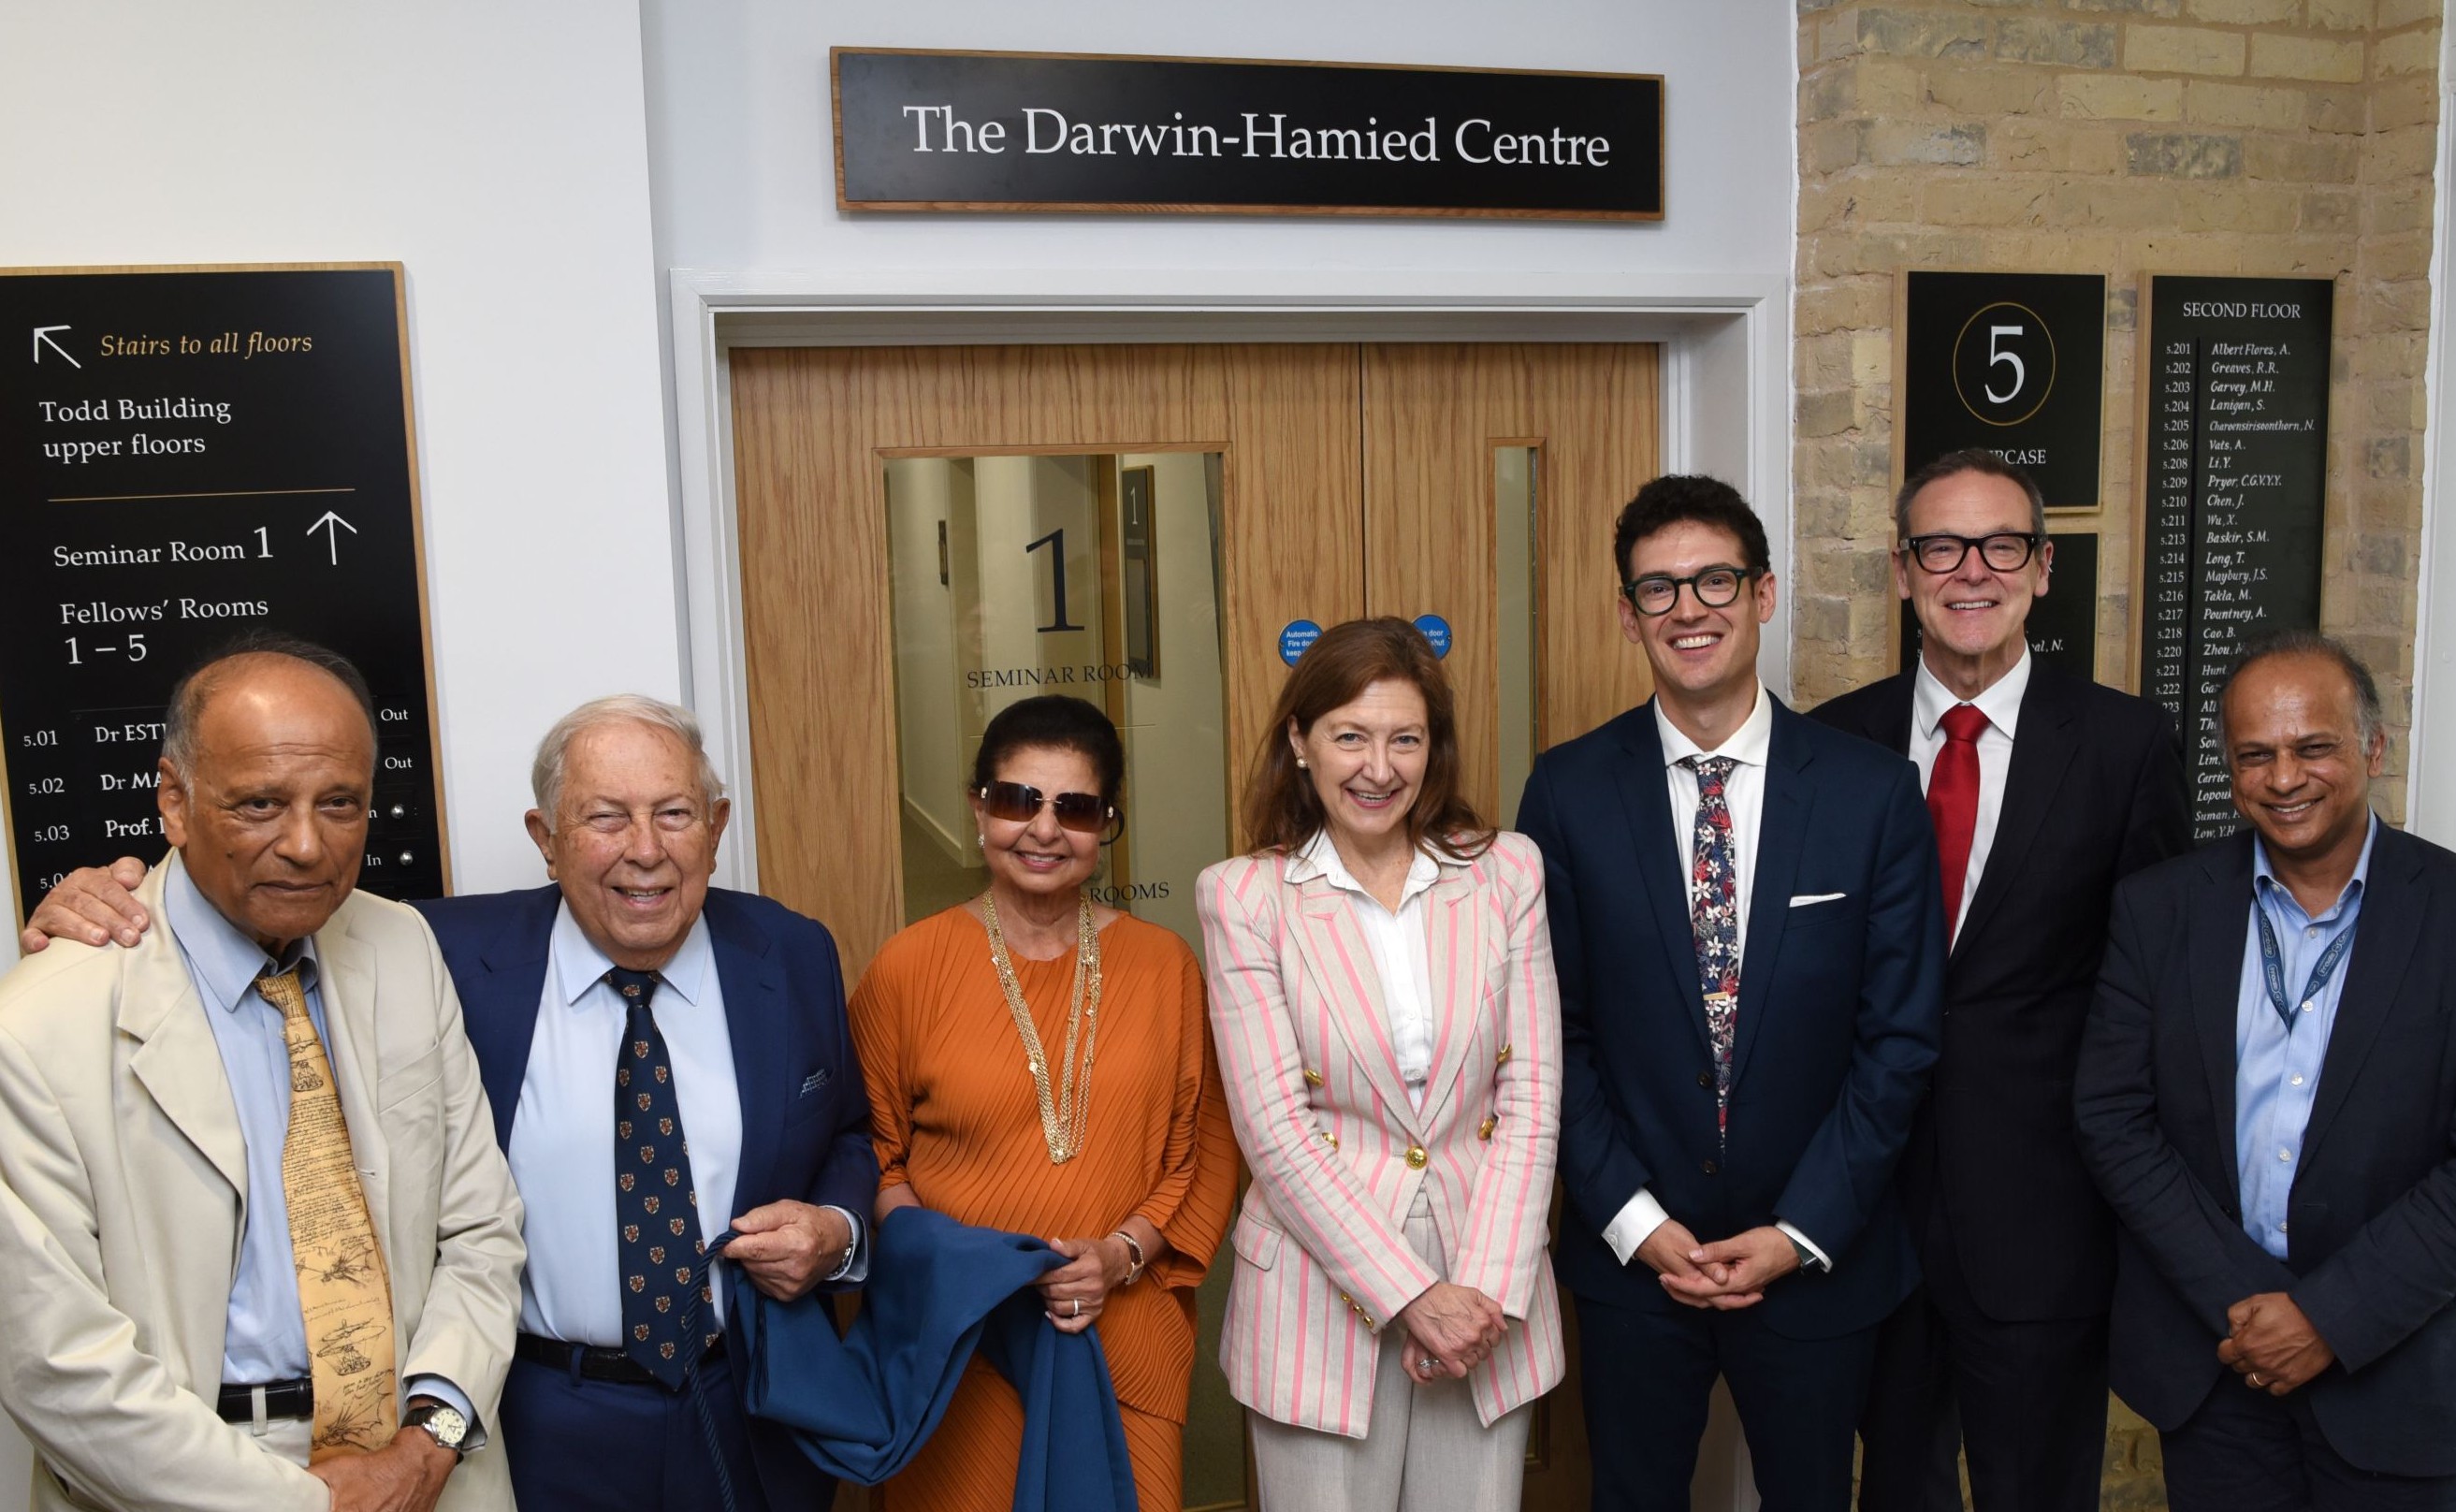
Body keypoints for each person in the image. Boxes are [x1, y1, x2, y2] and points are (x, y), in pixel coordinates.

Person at [24, 692, 879, 1512]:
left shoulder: (791, 952)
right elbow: (250, 911)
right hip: (539, 1417)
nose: (645, 850)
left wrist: (837, 1232)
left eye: (675, 813)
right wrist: (108, 899)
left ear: (716, 828)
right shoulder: (434, 952)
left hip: (745, 1404)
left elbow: (843, 1132)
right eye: (605, 817)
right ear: (546, 840)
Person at [0, 640, 525, 1512]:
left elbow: (482, 1231)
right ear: (175, 802)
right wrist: (314, 1508)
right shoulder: (38, 1025)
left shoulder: (401, 947)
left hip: (424, 1464)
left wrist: (428, 1442)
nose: (308, 845)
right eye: (260, 804)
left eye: (340, 803)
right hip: (192, 1481)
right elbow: (56, 1365)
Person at [1516, 474, 1945, 1511]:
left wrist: (1799, 1230)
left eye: (1714, 579)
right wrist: (1634, 1219)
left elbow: (1898, 1039)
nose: (1688, 608)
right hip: (1634, 1262)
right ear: (1629, 615)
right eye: (1658, 589)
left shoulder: (1871, 792)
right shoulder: (1566, 792)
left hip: (1818, 1257)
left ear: (1763, 593)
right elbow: (1548, 1034)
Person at [1811, 449, 2190, 1512]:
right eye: (1941, 546)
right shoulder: (1831, 743)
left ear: (2042, 568)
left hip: (2045, 1220)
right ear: (1901, 570)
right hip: (1867, 1215)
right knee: (1893, 1490)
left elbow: (2157, 992)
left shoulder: (2124, 744)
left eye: (2001, 545)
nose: (1971, 569)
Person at [2076, 632, 2456, 1510]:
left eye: (2311, 747)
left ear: (2373, 748)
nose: (2283, 779)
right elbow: (2111, 1118)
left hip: (2399, 1373)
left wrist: (2328, 1317)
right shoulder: (2159, 909)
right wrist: (2252, 1308)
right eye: (2255, 755)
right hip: (2218, 1366)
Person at [1196, 618, 1565, 1511]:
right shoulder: (1243, 896)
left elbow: (1532, 1095)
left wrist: (1477, 1296)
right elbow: (1273, 1132)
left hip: (1486, 1284)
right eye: (1349, 737)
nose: (1378, 767)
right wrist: (1414, 1297)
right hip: (1319, 1288)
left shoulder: (1506, 873)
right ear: (1300, 741)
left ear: (1433, 748)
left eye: (1405, 739)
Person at [848, 693, 1238, 1512]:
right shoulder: (908, 969)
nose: (1044, 829)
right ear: (978, 807)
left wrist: (1119, 1256)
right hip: (961, 1343)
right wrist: (966, 1268)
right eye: (1017, 800)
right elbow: (871, 1154)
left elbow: (1198, 1154)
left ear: (1107, 826)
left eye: (1076, 808)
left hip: (1121, 1332)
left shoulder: (1165, 967)